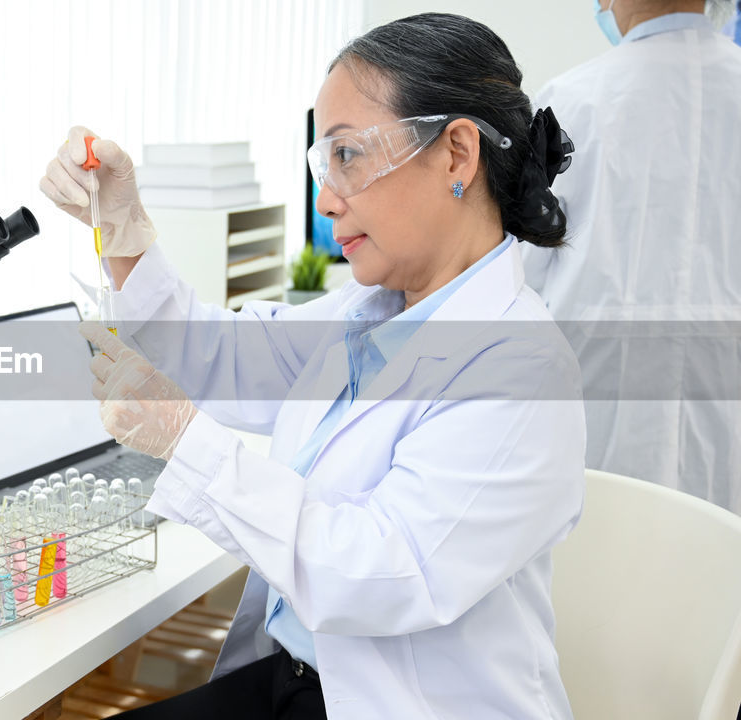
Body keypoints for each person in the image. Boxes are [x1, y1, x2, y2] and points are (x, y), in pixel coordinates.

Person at [40, 13, 586, 720]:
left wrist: (183, 437)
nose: (327, 198)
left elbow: (377, 575)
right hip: (299, 683)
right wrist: (119, 219)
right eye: (323, 164)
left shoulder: (521, 370)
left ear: (456, 154)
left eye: (349, 156)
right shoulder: (369, 311)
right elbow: (212, 358)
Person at [522, 0, 741, 513]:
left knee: (605, 571)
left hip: (596, 403)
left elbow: (522, 270)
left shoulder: (570, 102)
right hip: (726, 410)